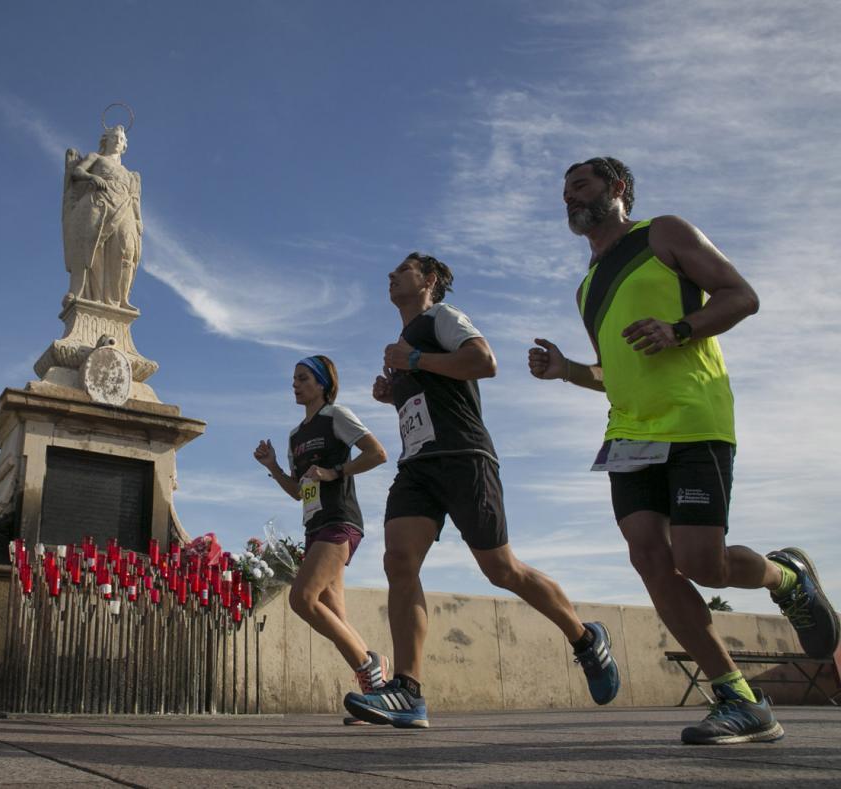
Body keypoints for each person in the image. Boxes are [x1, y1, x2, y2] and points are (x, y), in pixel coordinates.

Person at [528, 156, 838, 745]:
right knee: (649, 558)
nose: (568, 198)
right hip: (628, 432)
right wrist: (568, 369)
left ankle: (786, 577)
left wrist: (679, 329)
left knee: (700, 563)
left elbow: (740, 296)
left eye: (581, 185)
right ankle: (739, 699)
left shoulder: (662, 233)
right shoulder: (587, 285)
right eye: (564, 191)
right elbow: (610, 371)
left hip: (693, 419)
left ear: (617, 188)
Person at [344, 253, 620, 729]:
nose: (390, 275)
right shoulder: (403, 342)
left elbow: (483, 361)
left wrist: (413, 361)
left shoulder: (442, 318)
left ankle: (584, 637)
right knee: (399, 561)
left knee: (501, 569)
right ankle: (408, 690)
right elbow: (432, 397)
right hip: (418, 466)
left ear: (429, 280)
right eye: (390, 271)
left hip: (465, 458)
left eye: (403, 270)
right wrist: (397, 394)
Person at [253, 355, 390, 723]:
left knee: (302, 598)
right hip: (314, 528)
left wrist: (335, 471)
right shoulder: (295, 436)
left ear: (322, 383)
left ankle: (369, 666)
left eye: (302, 378)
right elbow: (299, 492)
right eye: (293, 379)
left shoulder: (337, 416)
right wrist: (272, 467)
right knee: (337, 615)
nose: (295, 385)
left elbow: (377, 453)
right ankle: (376, 695)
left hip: (340, 521)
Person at [61, 124, 143, 310]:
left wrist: (138, 221)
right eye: (115, 137)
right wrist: (92, 178)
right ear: (106, 140)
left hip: (125, 208)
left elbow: (135, 199)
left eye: (121, 139)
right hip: (100, 203)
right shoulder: (95, 158)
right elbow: (77, 171)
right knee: (94, 249)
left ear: (124, 146)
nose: (118, 141)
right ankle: (92, 296)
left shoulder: (131, 174)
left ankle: (121, 299)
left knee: (126, 251)